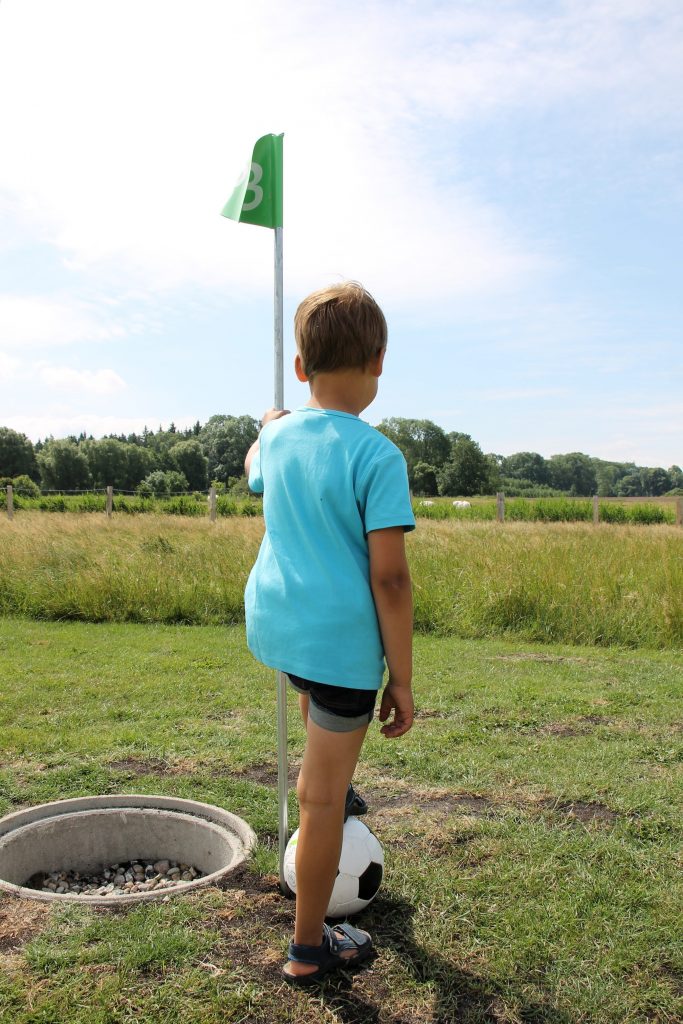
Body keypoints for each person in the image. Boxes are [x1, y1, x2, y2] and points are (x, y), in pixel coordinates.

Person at [244, 281, 415, 986]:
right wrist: (400, 679)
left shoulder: (276, 438)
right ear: (378, 361)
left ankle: (332, 790)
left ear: (298, 368)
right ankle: (309, 947)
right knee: (318, 803)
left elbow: (256, 466)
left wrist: (267, 422)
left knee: (324, 761)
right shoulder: (378, 457)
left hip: (278, 630)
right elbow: (391, 581)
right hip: (339, 649)